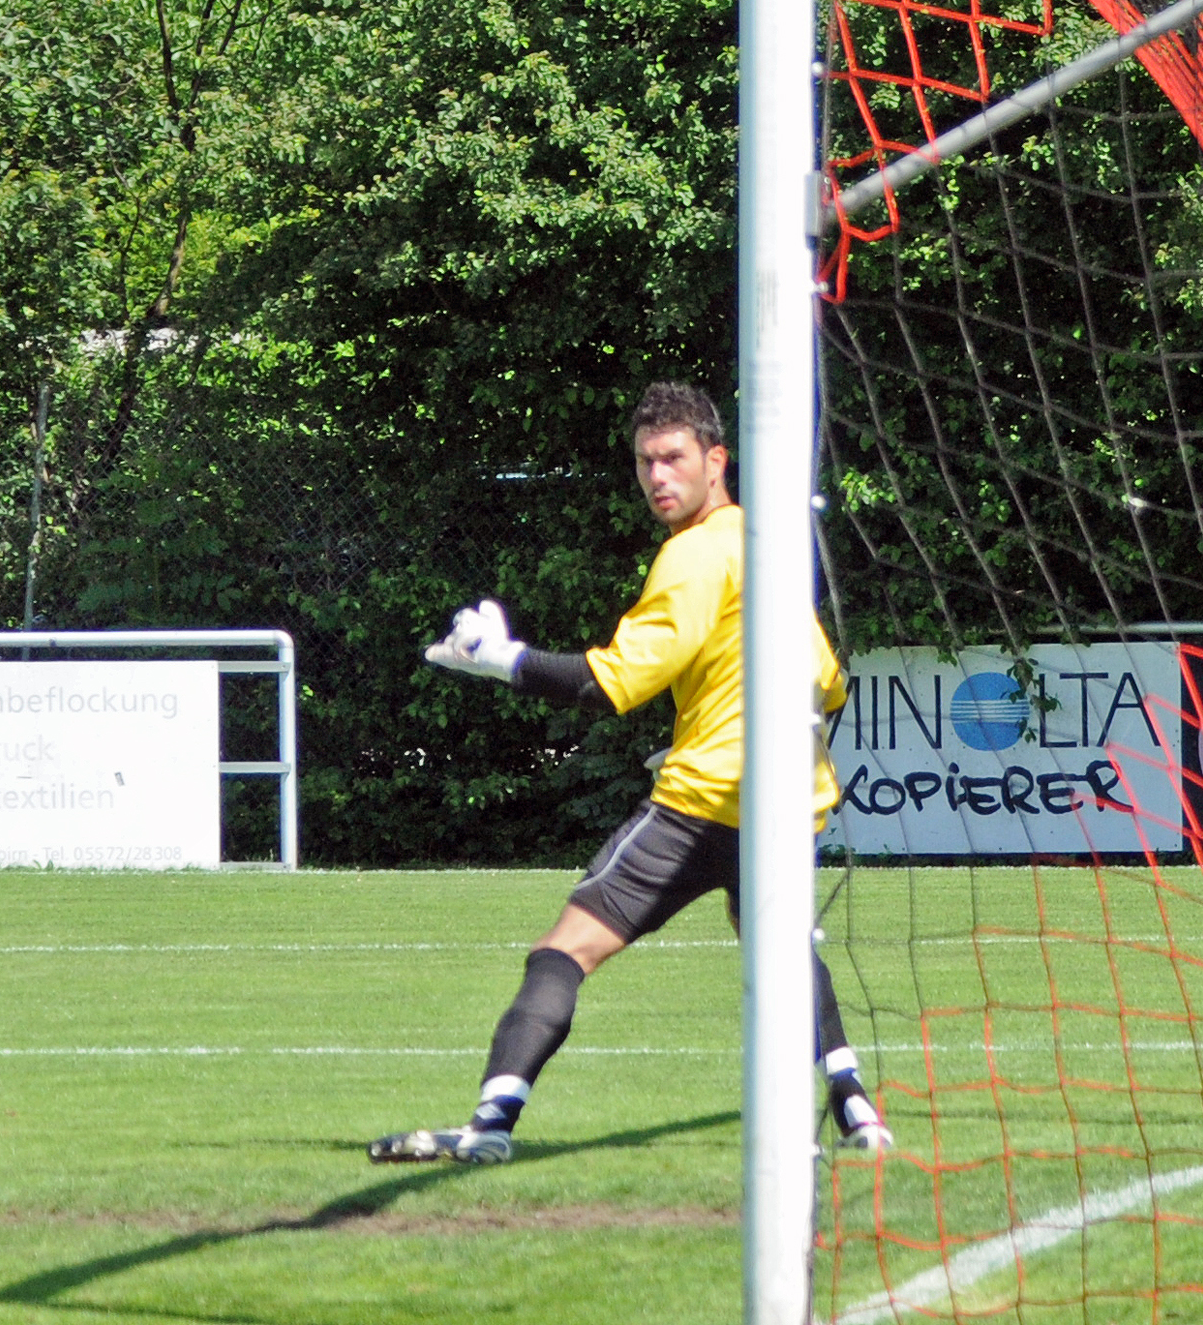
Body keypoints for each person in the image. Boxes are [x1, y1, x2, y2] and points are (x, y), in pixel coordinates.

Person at [369, 381, 890, 1165]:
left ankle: (491, 1124)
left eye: (674, 457)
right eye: (646, 461)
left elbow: (609, 683)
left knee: (563, 949)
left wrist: (499, 659)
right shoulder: (765, 544)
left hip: (698, 807)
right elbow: (827, 682)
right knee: (780, 949)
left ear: (716, 460)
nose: (658, 476)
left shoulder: (695, 554)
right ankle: (857, 1110)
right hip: (781, 810)